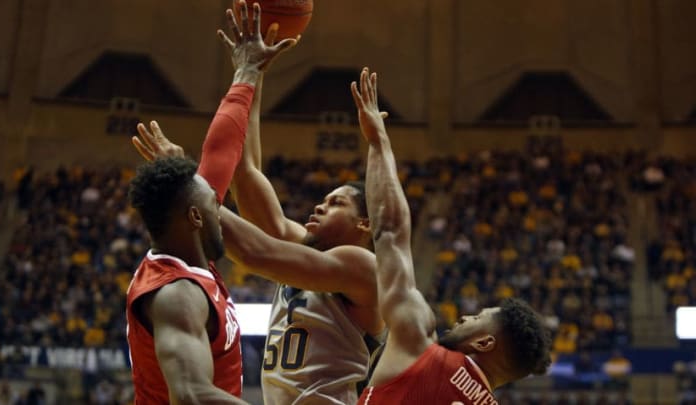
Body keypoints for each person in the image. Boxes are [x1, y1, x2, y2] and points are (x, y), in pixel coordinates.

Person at [133, 68, 386, 405]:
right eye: (322, 200)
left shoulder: (363, 267)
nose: (319, 207)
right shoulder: (301, 248)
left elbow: (255, 253)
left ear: (364, 225)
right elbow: (244, 169)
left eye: (336, 203)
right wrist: (256, 71)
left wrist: (188, 187)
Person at [126, 2, 296, 404]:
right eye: (216, 205)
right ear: (196, 217)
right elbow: (192, 395)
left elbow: (220, 153)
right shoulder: (177, 294)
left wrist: (247, 71)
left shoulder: (189, 251)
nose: (223, 209)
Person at [351, 68, 552, 404]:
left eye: (476, 318)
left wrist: (378, 142)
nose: (463, 317)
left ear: (485, 343)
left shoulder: (420, 347)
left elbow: (389, 233)